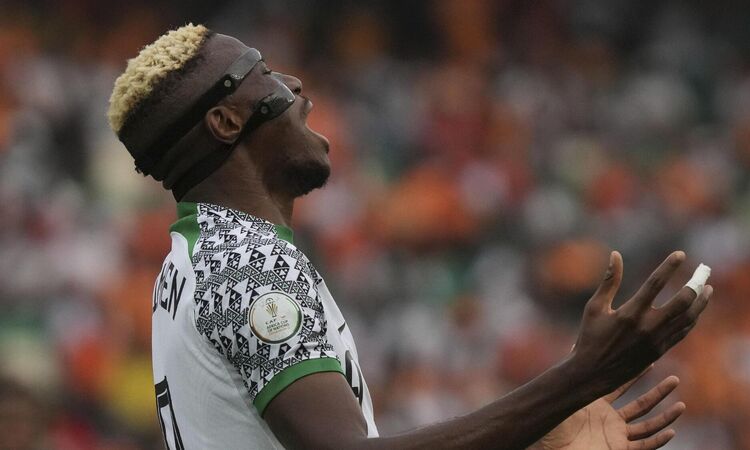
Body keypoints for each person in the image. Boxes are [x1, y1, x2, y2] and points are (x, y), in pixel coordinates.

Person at [107, 24, 712, 449]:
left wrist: (535, 437)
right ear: (225, 121)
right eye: (262, 74)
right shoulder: (246, 263)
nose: (294, 86)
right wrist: (583, 377)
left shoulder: (193, 262)